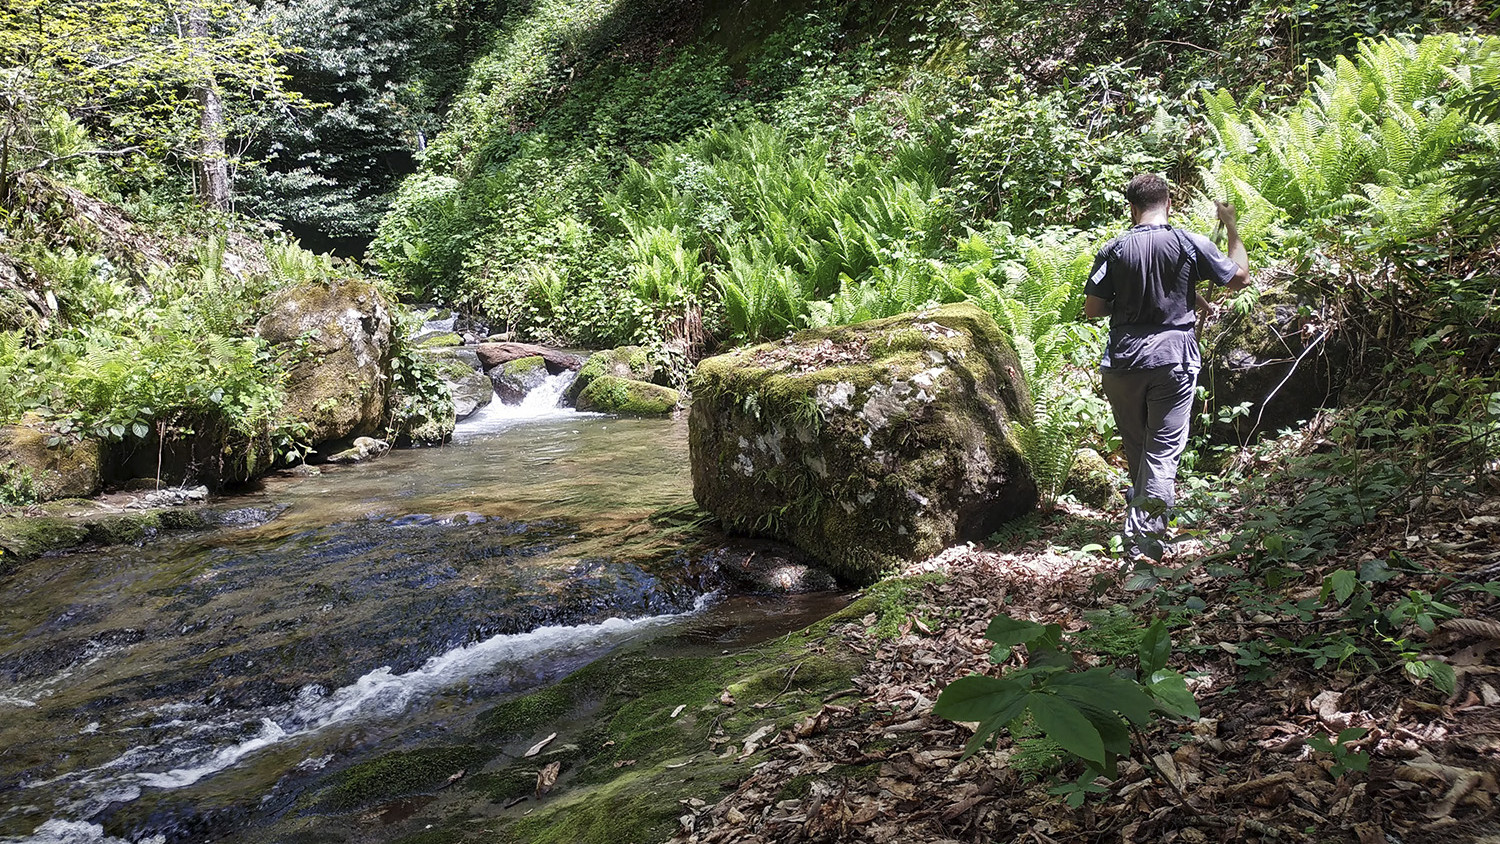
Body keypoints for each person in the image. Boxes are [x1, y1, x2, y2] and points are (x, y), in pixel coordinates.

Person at [1083, 173, 1248, 562]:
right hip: (1172, 360)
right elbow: (1239, 277)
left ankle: (1138, 532)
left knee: (1140, 453)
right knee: (1161, 456)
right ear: (1169, 204)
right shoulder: (1189, 242)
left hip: (1122, 363)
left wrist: (1129, 304)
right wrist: (1231, 228)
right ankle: (1145, 548)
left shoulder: (1113, 250)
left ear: (1133, 209)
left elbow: (1093, 309)